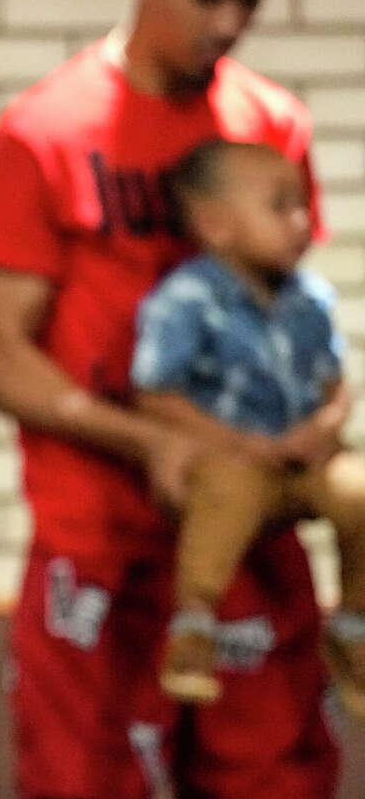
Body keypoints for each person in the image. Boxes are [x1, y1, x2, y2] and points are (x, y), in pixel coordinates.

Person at [0, 0, 340, 796]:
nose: (230, 24)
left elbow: (302, 322)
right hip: (103, 548)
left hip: (249, 542)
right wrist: (147, 443)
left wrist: (318, 424)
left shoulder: (271, 127)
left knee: (276, 778)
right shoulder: (47, 131)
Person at [129, 139, 365, 714]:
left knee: (361, 492)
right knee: (224, 498)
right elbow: (155, 392)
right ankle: (193, 627)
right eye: (280, 207)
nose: (301, 222)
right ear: (216, 225)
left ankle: (354, 625)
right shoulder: (186, 299)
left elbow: (336, 382)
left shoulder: (308, 298)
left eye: (302, 205)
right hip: (234, 458)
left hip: (302, 457)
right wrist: (238, 443)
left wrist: (326, 427)